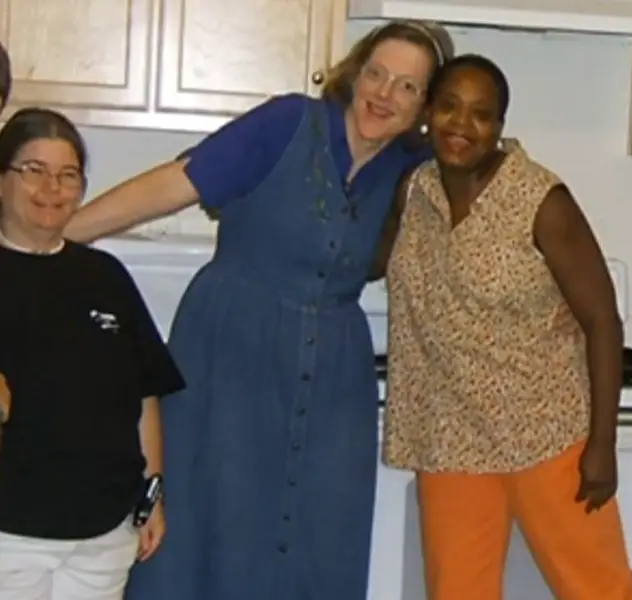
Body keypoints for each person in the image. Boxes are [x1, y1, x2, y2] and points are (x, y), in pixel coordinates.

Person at [63, 20, 453, 600]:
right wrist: (60, 237)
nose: (384, 94)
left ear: (423, 106)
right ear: (355, 73)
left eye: (407, 86)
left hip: (333, 382)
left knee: (320, 531)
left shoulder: (409, 171)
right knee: (208, 516)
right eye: (377, 73)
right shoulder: (287, 124)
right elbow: (175, 184)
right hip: (228, 353)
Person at [374, 54, 632, 600]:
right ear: (428, 111)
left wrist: (602, 444)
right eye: (449, 106)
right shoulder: (415, 191)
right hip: (451, 438)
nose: (462, 124)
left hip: (544, 433)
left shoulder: (541, 201)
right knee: (457, 592)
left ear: (500, 126)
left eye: (481, 114)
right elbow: (368, 262)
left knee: (599, 589)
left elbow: (602, 321)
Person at [0, 108, 185, 600]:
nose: (52, 188)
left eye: (68, 175)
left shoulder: (105, 276)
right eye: (34, 170)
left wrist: (153, 494)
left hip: (104, 535)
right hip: (12, 534)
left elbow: (144, 397)